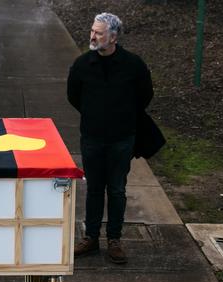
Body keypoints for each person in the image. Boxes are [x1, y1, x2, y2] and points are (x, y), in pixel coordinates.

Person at [67, 12, 153, 263]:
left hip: (121, 138)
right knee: (94, 188)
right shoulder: (82, 64)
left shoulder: (133, 65)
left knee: (116, 189)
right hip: (92, 137)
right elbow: (73, 96)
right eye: (92, 30)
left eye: (99, 32)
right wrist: (94, 114)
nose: (93, 36)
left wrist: (121, 116)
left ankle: (114, 239)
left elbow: (144, 96)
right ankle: (91, 237)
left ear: (113, 37)